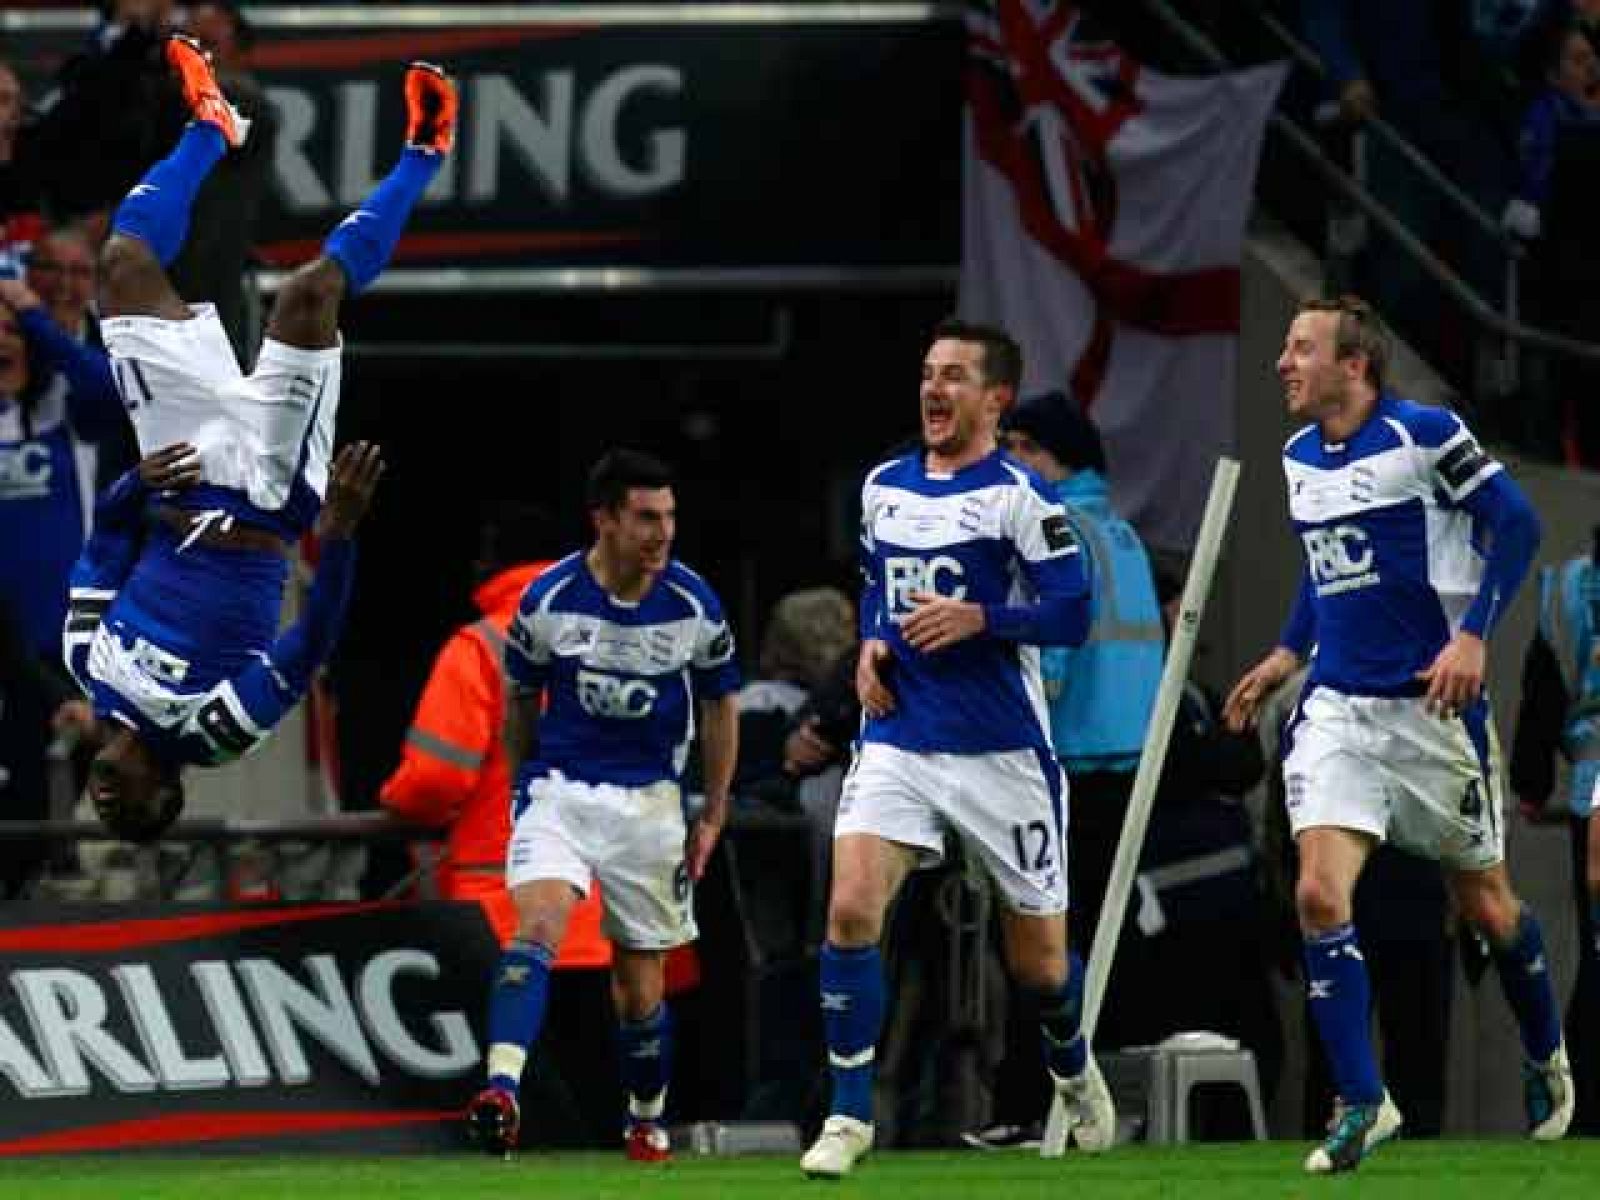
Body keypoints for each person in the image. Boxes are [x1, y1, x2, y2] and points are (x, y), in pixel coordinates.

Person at [59, 38, 457, 842]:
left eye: (102, 809)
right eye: (128, 812)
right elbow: (311, 642)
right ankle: (425, 150)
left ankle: (212, 123)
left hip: (179, 470)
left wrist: (138, 481)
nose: (105, 801)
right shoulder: (216, 732)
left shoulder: (86, 663)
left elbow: (104, 540)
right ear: (168, 797)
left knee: (121, 263)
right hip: (267, 496)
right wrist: (337, 534)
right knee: (310, 294)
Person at [1224, 294, 1570, 1173]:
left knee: (1490, 911)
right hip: (1340, 710)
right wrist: (1285, 652)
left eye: (1301, 348)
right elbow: (1323, 567)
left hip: (1434, 716)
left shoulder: (1424, 433)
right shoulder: (1301, 457)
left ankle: (1545, 1053)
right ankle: (1364, 1101)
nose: (1282, 362)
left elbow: (1517, 524)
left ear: (1355, 365)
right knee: (1317, 894)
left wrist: (1472, 634)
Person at [797, 317, 1114, 1179]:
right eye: (929, 373)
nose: (935, 389)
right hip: (900, 737)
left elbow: (1072, 614)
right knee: (853, 910)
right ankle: (849, 1116)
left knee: (1039, 968)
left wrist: (986, 618)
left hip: (1000, 752)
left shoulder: (1021, 497)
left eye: (955, 377)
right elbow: (876, 588)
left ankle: (1072, 1063)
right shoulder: (883, 486)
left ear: (995, 398)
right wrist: (869, 646)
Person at [466, 448, 741, 1163]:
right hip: (561, 791)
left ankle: (645, 1117)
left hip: (649, 806)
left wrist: (712, 812)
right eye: (647, 517)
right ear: (606, 520)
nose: (663, 532)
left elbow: (720, 706)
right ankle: (502, 1089)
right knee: (539, 924)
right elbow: (520, 699)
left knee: (639, 989)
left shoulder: (693, 605)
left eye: (670, 516)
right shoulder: (549, 600)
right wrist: (526, 784)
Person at [958, 390, 1161, 1145]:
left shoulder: (1055, 530)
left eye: (1012, 448)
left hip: (1064, 763)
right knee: (1100, 941)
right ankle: (1103, 1103)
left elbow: (1049, 664)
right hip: (1127, 763)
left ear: (1042, 454)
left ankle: (1025, 1105)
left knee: (1032, 939)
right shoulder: (1123, 533)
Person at [1509, 527, 1600, 1133]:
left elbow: (1541, 692)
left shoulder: (1565, 593)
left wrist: (1534, 784)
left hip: (1588, 785)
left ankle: (1576, 1103)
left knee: (1596, 957)